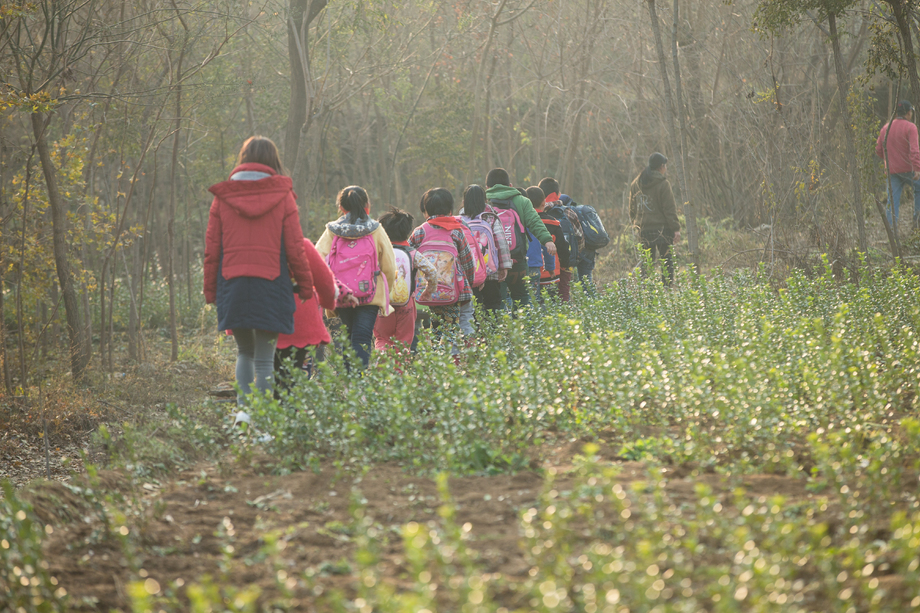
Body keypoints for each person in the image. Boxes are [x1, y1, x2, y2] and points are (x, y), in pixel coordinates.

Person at [203, 136, 314, 421]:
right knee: (265, 359)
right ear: (272, 161)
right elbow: (295, 247)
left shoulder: (223, 197)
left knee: (244, 352)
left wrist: (211, 291)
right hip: (271, 284)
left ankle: (244, 413)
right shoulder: (283, 195)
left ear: (243, 159)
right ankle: (263, 421)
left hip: (233, 283)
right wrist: (305, 286)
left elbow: (212, 249)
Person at [316, 186, 396, 370]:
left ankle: (347, 379)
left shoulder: (332, 230)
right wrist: (385, 292)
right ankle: (358, 381)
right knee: (362, 338)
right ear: (367, 204)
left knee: (347, 337)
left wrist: (330, 289)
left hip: (342, 294)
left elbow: (317, 258)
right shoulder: (375, 229)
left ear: (341, 207)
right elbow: (389, 266)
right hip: (370, 294)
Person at [274, 238, 349, 397]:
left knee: (269, 369)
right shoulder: (302, 246)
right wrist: (329, 303)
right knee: (297, 368)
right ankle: (294, 403)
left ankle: (271, 405)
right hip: (302, 318)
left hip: (266, 318)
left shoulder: (253, 247)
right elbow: (325, 281)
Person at [409, 188, 476, 359]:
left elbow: (409, 257)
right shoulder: (456, 231)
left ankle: (437, 358)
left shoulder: (420, 232)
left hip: (429, 291)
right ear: (450, 210)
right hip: (454, 292)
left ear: (425, 211)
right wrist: (469, 283)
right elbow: (468, 261)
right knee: (451, 326)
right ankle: (453, 359)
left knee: (436, 323)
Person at [485, 168, 556, 310]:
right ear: (510, 186)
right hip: (518, 261)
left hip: (493, 263)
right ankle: (524, 324)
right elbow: (535, 222)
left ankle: (501, 324)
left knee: (497, 301)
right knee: (522, 298)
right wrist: (547, 240)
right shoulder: (521, 201)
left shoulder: (484, 202)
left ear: (487, 187)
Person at [373, 207, 437, 353]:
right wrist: (428, 291)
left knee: (382, 339)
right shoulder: (412, 253)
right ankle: (400, 367)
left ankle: (382, 365)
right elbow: (432, 271)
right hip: (406, 304)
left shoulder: (378, 253)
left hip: (383, 304)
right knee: (403, 342)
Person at [629, 152, 681, 285]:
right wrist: (675, 228)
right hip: (663, 229)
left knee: (647, 263)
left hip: (644, 229)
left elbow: (632, 209)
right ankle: (667, 289)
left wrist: (636, 224)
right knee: (666, 261)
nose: (666, 169)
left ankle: (646, 290)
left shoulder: (636, 184)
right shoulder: (663, 184)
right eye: (665, 166)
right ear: (661, 167)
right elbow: (669, 209)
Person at [460, 184, 511, 312]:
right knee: (493, 305)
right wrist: (504, 266)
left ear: (464, 201)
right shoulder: (491, 218)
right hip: (490, 272)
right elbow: (501, 242)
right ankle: (493, 325)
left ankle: (475, 325)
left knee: (472, 307)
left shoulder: (460, 221)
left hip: (470, 273)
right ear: (485, 201)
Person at [876, 100, 920, 231]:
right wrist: (917, 168)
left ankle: (891, 230)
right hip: (909, 170)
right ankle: (917, 223)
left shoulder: (885, 128)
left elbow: (878, 149)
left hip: (892, 171)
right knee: (919, 190)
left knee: (892, 200)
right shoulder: (911, 127)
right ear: (909, 113)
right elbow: (914, 150)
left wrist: (890, 159)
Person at [539, 177, 584, 298]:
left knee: (542, 296)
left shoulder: (535, 212)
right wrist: (573, 257)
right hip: (565, 262)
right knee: (563, 292)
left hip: (543, 264)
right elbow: (580, 238)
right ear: (558, 194)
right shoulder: (568, 212)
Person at [526, 186, 570, 300]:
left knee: (532, 303)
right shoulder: (553, 223)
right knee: (550, 303)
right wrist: (565, 266)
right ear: (543, 203)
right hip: (551, 273)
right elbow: (563, 248)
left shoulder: (524, 223)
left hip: (529, 270)